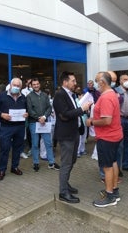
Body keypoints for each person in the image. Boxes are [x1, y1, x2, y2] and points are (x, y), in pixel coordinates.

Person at [53, 71, 92, 204]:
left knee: (72, 160)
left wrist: (82, 110)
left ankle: (66, 184)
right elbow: (64, 114)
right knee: (66, 163)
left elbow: (73, 112)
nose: (75, 83)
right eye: (73, 81)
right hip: (66, 135)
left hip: (74, 132)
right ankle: (63, 192)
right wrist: (82, 109)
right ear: (65, 82)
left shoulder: (72, 94)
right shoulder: (59, 95)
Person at [86, 72, 123, 207]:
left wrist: (91, 122)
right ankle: (114, 191)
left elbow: (107, 120)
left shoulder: (106, 97)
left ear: (102, 82)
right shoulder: (111, 93)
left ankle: (109, 196)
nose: (95, 84)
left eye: (96, 81)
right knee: (113, 163)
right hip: (114, 135)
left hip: (108, 137)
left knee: (107, 167)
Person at [0, 78, 28, 181]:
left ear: (21, 87)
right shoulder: (2, 96)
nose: (16, 87)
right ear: (10, 85)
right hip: (6, 127)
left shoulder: (23, 97)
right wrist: (2, 114)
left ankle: (14, 167)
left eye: (18, 86)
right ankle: (2, 170)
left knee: (17, 148)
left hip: (20, 127)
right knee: (4, 149)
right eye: (14, 85)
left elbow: (27, 110)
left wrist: (26, 114)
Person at [26, 78, 60, 171]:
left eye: (37, 84)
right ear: (31, 86)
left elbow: (49, 107)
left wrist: (44, 117)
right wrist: (38, 118)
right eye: (34, 84)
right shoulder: (29, 96)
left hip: (44, 122)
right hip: (34, 123)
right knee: (35, 144)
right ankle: (36, 163)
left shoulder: (45, 95)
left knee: (48, 143)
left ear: (39, 84)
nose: (36, 85)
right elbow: (29, 110)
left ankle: (51, 163)